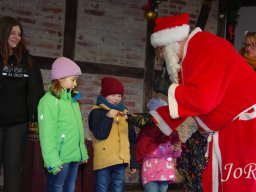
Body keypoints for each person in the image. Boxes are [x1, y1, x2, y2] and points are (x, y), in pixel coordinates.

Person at [142, 13, 256, 191]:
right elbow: (189, 103)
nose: (161, 56)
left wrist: (169, 89)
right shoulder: (195, 51)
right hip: (234, 127)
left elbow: (202, 100)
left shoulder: (204, 48)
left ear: (170, 43)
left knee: (239, 184)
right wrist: (153, 119)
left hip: (245, 126)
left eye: (161, 49)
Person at [0, 16, 44, 192]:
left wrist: (38, 118)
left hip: (18, 124)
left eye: (19, 33)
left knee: (13, 169)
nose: (16, 37)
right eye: (12, 32)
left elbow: (37, 92)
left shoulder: (28, 61)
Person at [38, 57, 88, 192]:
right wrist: (52, 161)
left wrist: (82, 152)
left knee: (70, 188)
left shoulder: (73, 101)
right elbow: (46, 135)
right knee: (56, 188)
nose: (76, 83)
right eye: (73, 79)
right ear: (60, 78)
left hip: (73, 155)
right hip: (59, 158)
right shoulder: (48, 101)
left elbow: (78, 129)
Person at [88, 77, 140, 192]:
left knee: (118, 187)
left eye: (119, 95)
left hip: (120, 160)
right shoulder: (96, 111)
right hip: (103, 160)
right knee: (101, 187)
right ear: (105, 94)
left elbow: (132, 138)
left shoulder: (124, 113)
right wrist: (108, 117)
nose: (116, 98)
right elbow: (99, 134)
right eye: (113, 94)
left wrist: (133, 162)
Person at [136, 98, 181, 192]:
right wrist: (168, 148)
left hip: (165, 173)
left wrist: (176, 148)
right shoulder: (147, 131)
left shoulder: (171, 131)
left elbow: (176, 154)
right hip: (151, 173)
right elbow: (146, 150)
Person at [176, 128, 209, 192]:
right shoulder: (190, 140)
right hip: (193, 182)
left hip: (211, 182)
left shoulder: (216, 140)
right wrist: (189, 176)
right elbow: (181, 160)